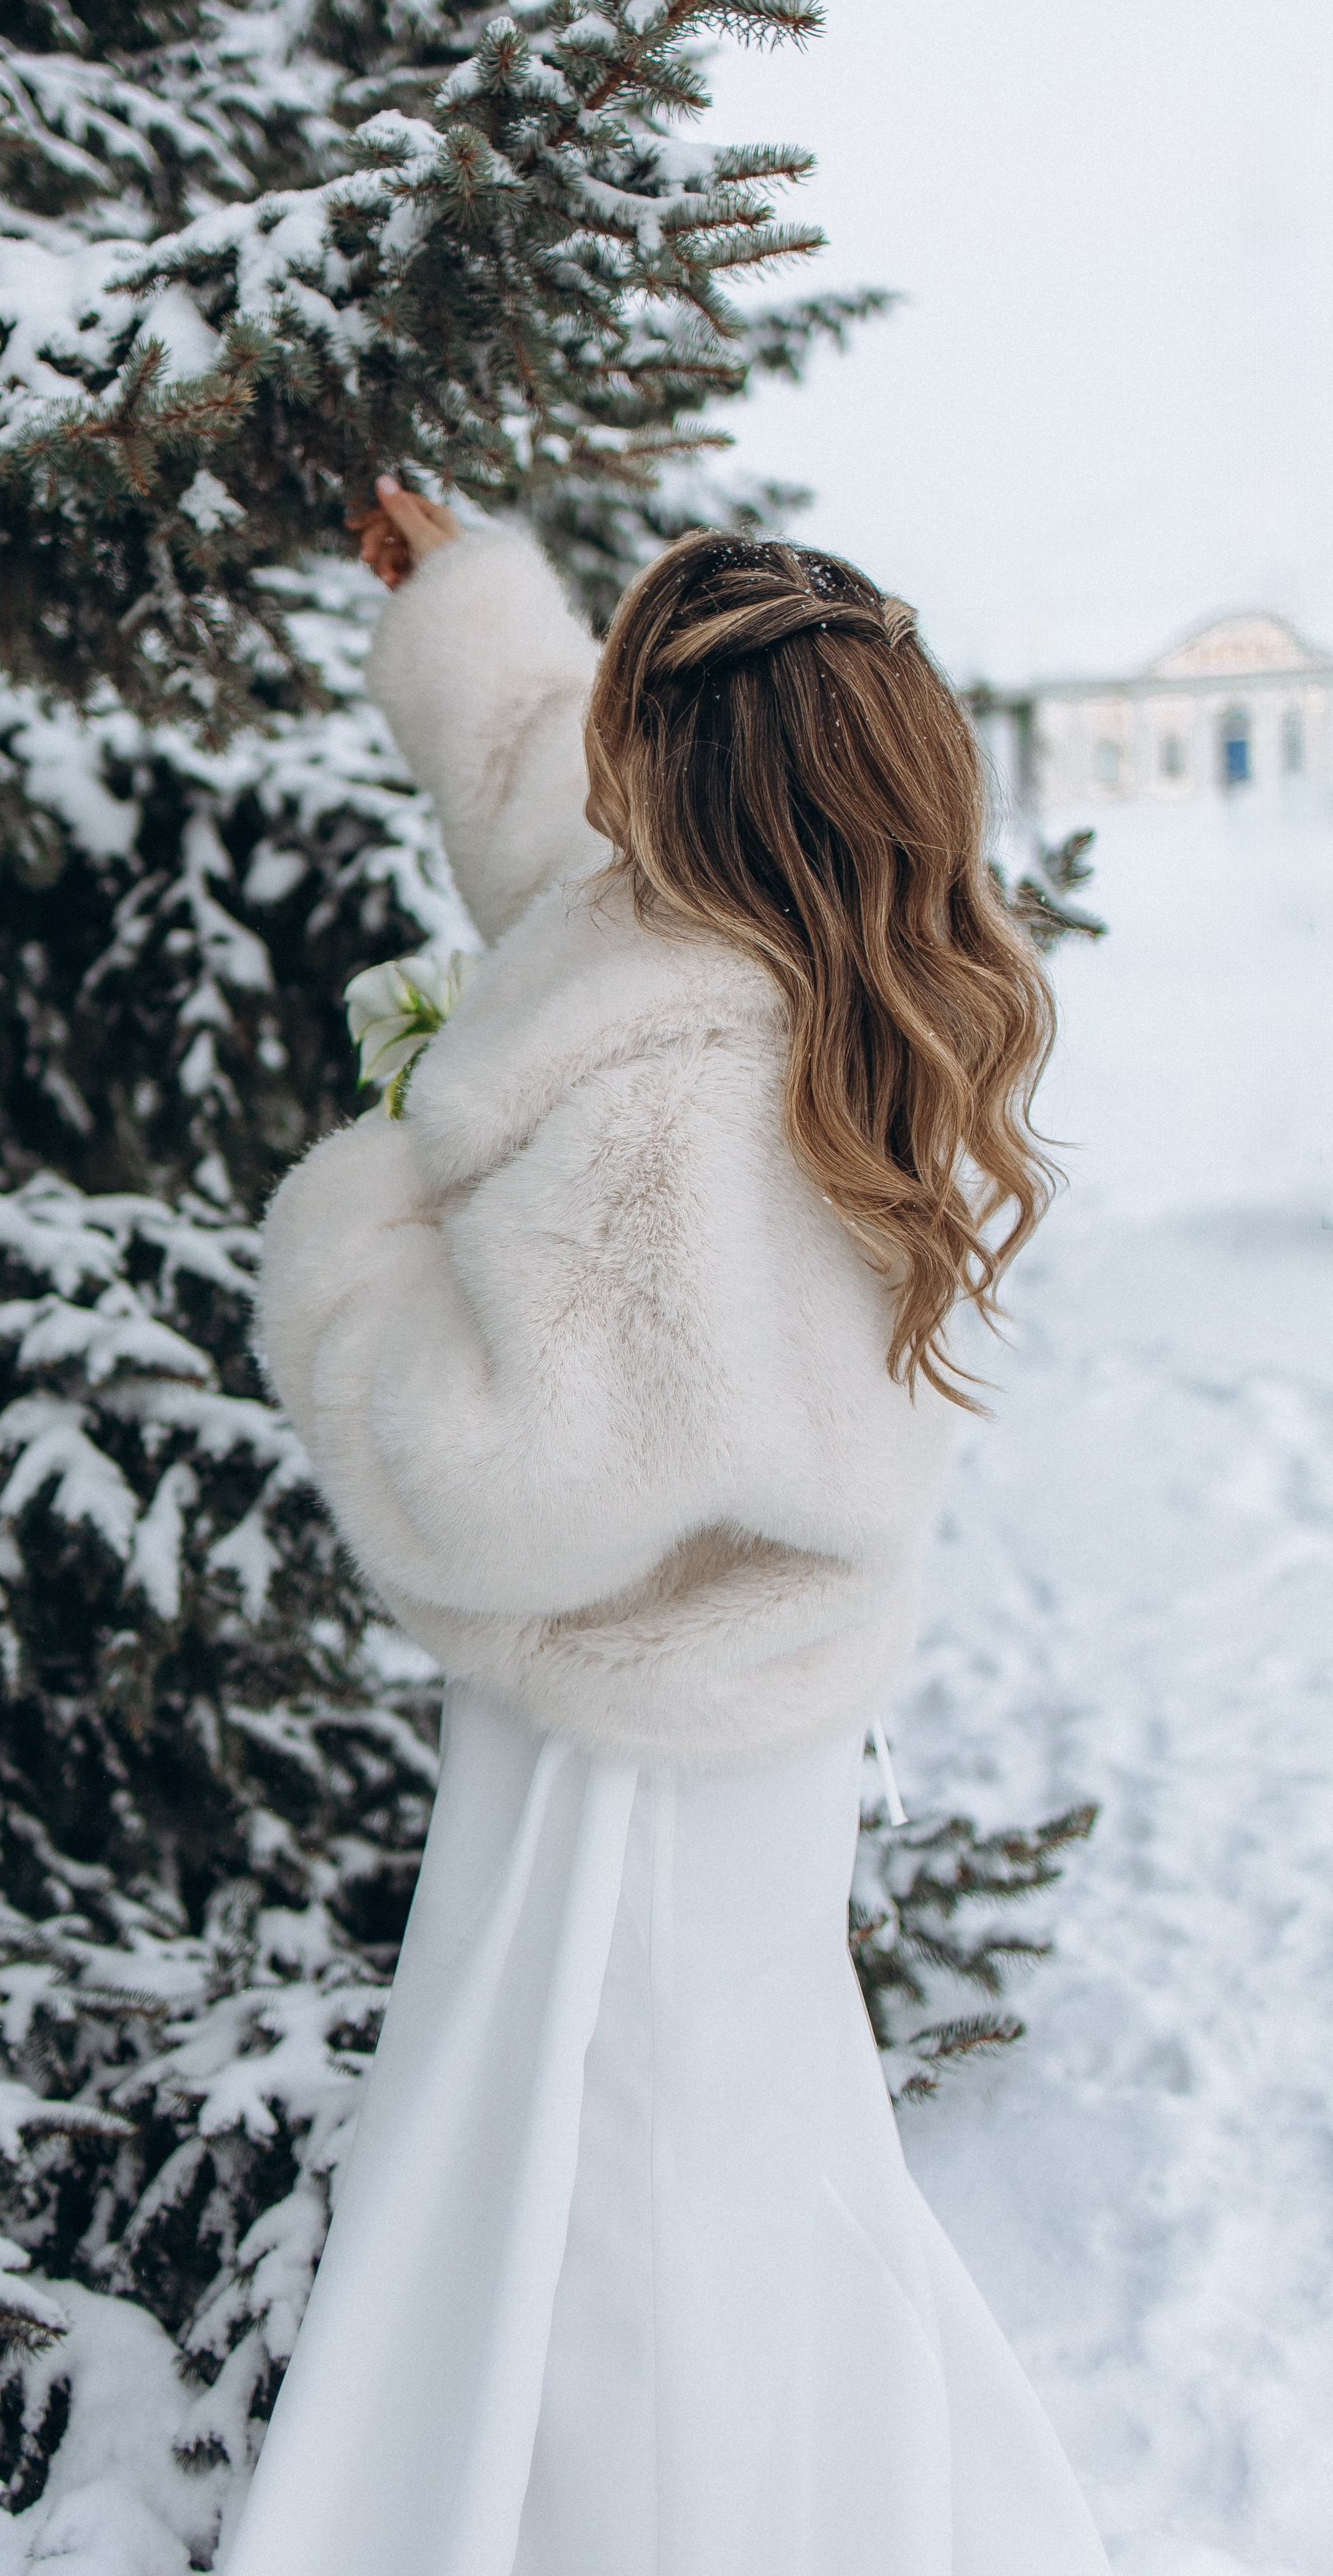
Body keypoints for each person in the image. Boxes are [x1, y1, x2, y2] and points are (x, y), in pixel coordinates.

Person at [227, 478, 1112, 2576]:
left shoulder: (667, 1098)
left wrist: (358, 1229)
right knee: (742, 2165)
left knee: (618, 2224)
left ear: (681, 785)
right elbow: (553, 815)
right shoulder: (822, 949)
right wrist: (459, 601)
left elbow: (492, 1478)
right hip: (751, 1723)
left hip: (621, 1776)